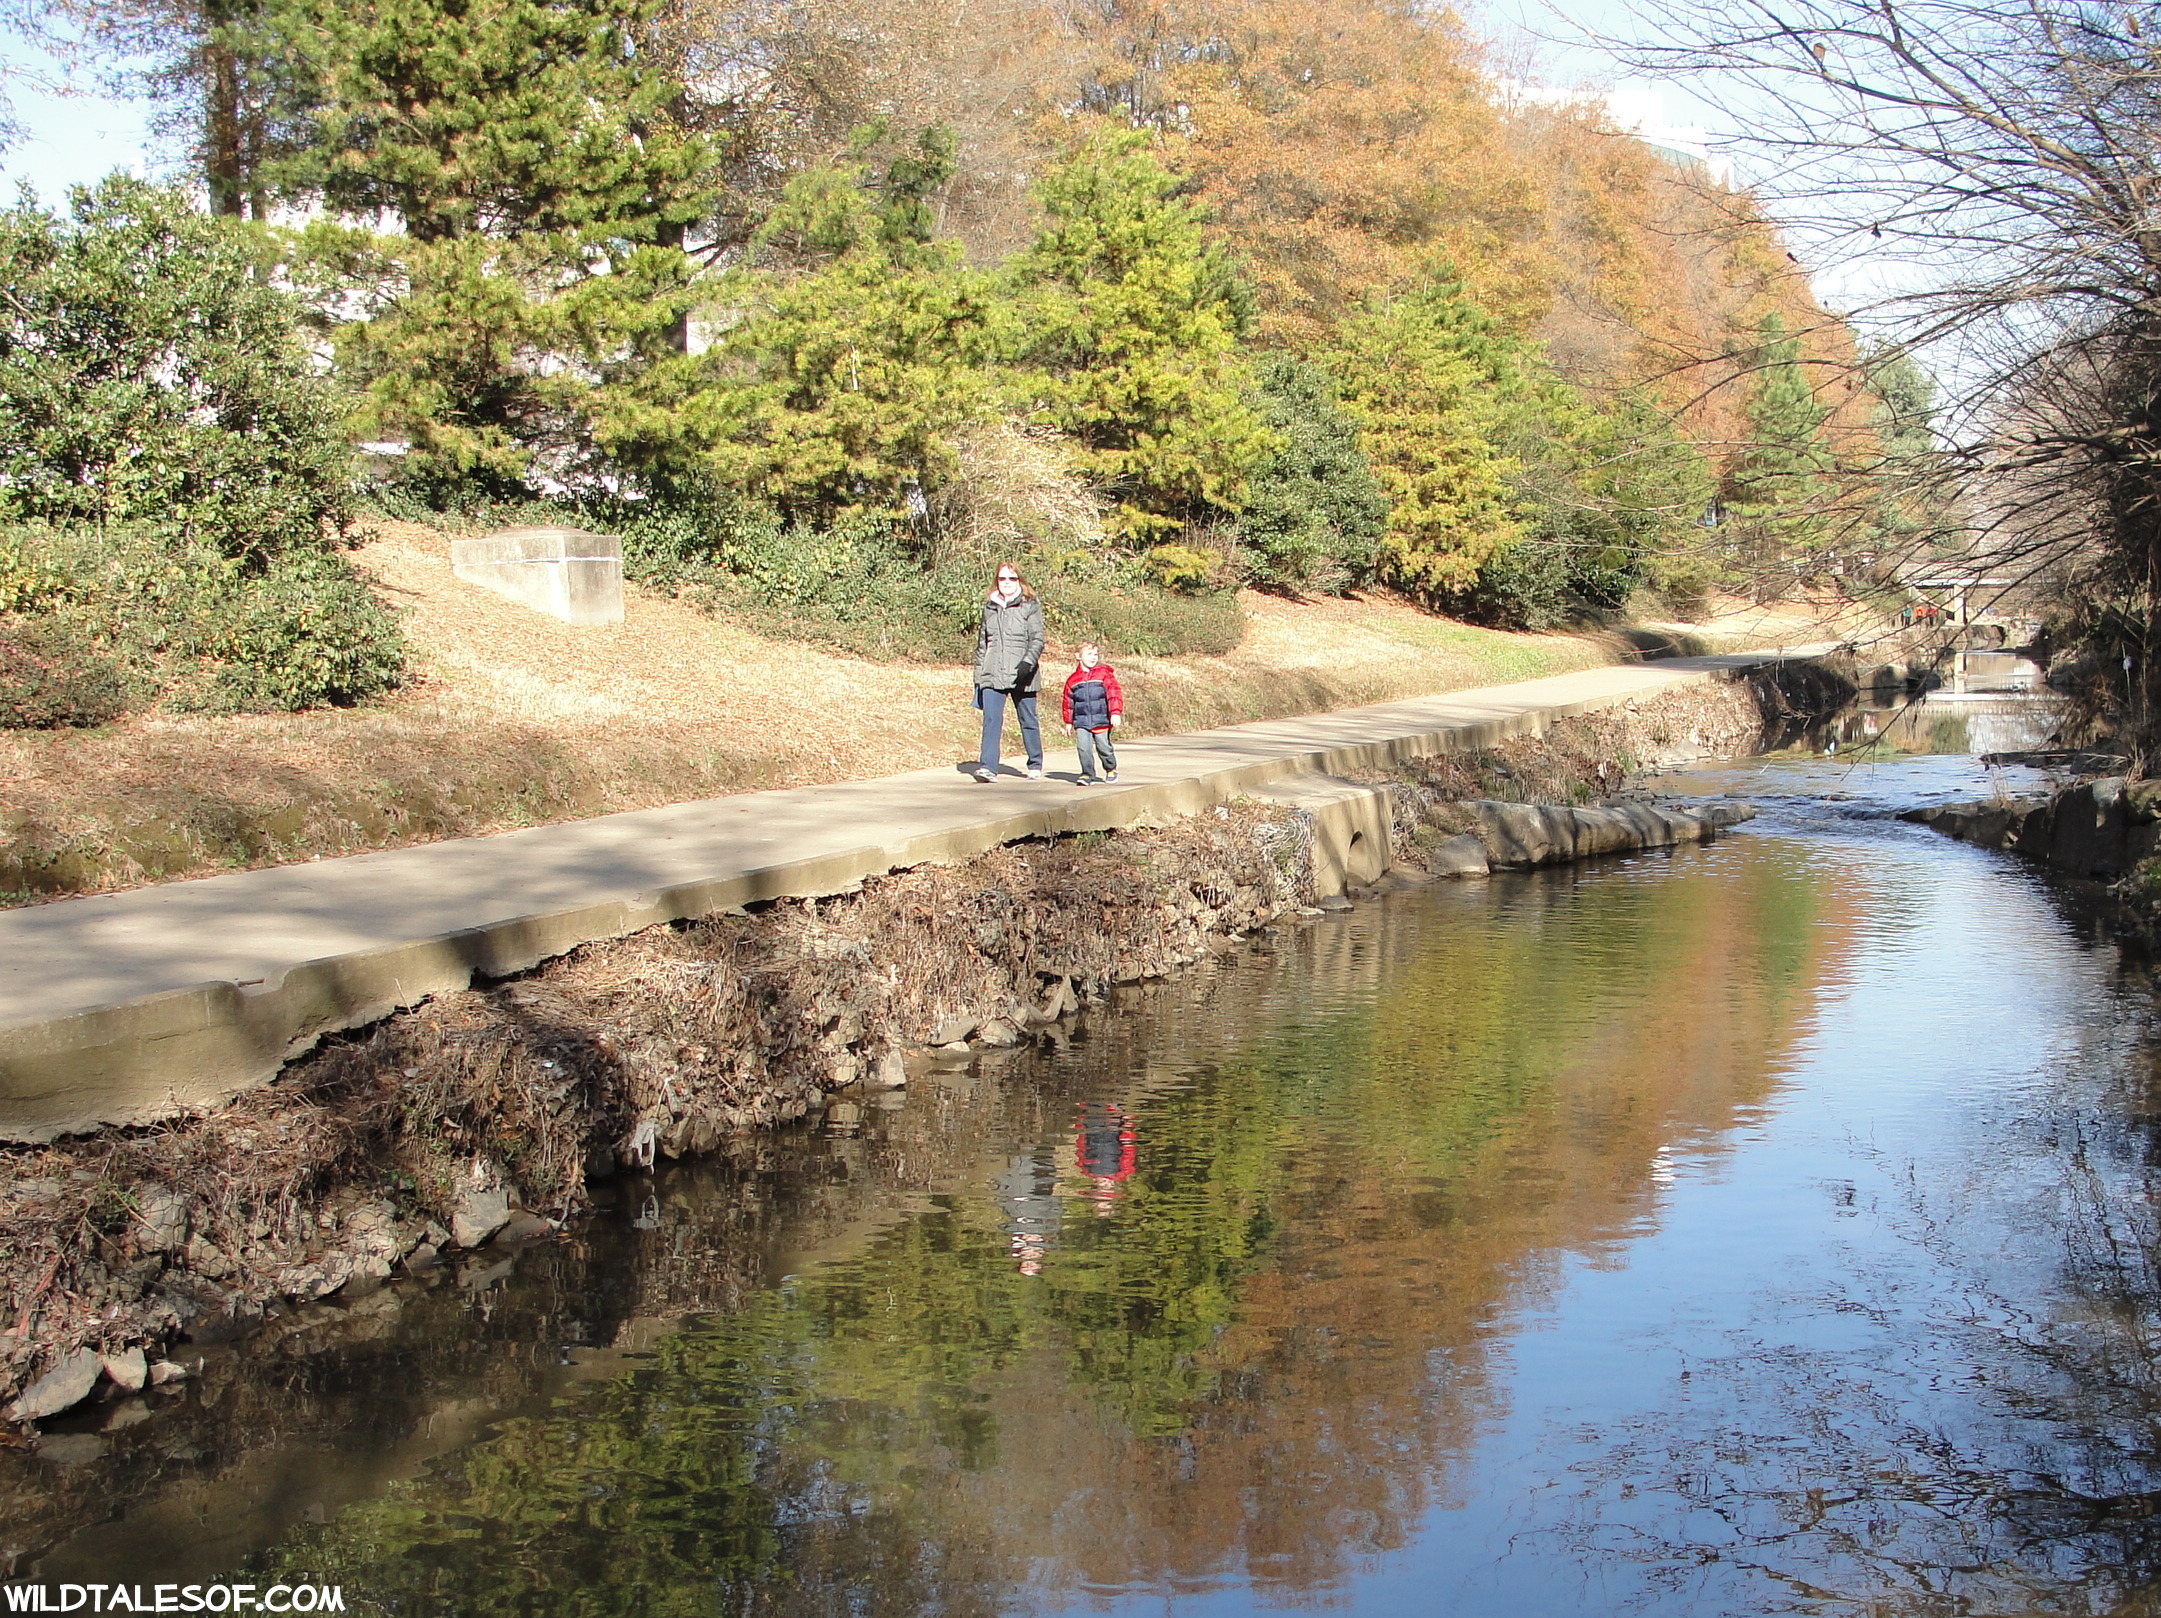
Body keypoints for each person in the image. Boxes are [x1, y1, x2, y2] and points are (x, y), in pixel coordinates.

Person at [973, 561, 1045, 783]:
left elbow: (1037, 639)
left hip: (1023, 673)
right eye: (1002, 578)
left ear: (1019, 581)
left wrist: (1028, 663)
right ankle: (988, 767)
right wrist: (978, 678)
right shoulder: (989, 608)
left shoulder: (1030, 605)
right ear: (997, 581)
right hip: (993, 672)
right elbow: (982, 645)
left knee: (1028, 719)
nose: (1007, 583)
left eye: (1012, 578)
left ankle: (1035, 763)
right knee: (991, 719)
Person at [1060, 642, 1123, 785]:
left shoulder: (1104, 674)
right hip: (1081, 721)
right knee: (1083, 748)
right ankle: (1087, 774)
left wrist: (1115, 713)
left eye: (1095, 654)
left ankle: (1110, 768)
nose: (1093, 657)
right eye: (1089, 654)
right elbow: (1068, 703)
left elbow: (1114, 694)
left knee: (1104, 747)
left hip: (1101, 718)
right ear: (1078, 656)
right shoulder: (1073, 680)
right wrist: (1068, 722)